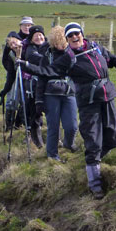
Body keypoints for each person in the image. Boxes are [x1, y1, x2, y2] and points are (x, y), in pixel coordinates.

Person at [17, 22, 116, 199]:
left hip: (107, 96)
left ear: (82, 34)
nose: (74, 38)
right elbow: (46, 71)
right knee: (93, 139)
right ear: (67, 39)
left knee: (112, 137)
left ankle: (93, 160)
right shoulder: (68, 58)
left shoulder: (96, 48)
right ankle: (95, 182)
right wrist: (25, 64)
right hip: (88, 101)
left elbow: (111, 58)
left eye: (76, 34)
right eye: (70, 36)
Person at [34, 26, 78, 161]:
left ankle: (68, 144)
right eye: (58, 43)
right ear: (53, 42)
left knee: (72, 126)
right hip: (50, 95)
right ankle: (52, 156)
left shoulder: (72, 54)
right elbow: (41, 77)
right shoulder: (47, 56)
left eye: (63, 42)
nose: (61, 46)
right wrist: (39, 100)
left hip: (69, 93)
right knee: (53, 127)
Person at [0, 16, 34, 130]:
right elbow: (5, 59)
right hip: (14, 74)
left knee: (26, 99)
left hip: (29, 75)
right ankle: (9, 126)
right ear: (20, 26)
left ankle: (19, 124)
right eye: (25, 25)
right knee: (13, 98)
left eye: (29, 25)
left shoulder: (33, 38)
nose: (27, 27)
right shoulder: (13, 38)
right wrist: (13, 70)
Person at [23, 25, 49, 148]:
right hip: (33, 85)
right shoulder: (30, 49)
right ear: (31, 38)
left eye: (41, 35)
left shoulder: (49, 46)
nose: (39, 37)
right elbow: (36, 59)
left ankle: (56, 139)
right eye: (36, 36)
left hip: (48, 85)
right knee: (35, 113)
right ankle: (38, 142)